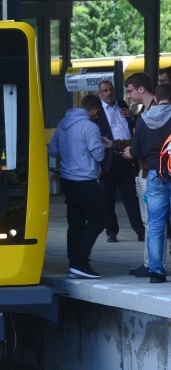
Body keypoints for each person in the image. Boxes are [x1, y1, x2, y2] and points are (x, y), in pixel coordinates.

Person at [48, 94, 110, 279]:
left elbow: (52, 150)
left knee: (75, 223)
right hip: (86, 180)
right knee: (98, 220)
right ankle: (80, 262)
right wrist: (102, 145)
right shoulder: (90, 126)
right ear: (95, 111)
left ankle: (73, 264)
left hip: (67, 180)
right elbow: (98, 156)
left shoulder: (63, 124)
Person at [125, 82, 171, 283]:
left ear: (155, 98)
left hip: (154, 174)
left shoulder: (143, 120)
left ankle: (156, 272)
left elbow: (137, 151)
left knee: (154, 225)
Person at [95, 80, 144, 243]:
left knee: (130, 196)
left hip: (126, 156)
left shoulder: (122, 104)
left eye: (110, 90)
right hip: (108, 158)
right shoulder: (98, 111)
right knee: (107, 198)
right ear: (99, 94)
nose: (108, 93)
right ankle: (111, 231)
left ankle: (140, 230)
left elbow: (132, 126)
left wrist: (132, 116)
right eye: (104, 91)